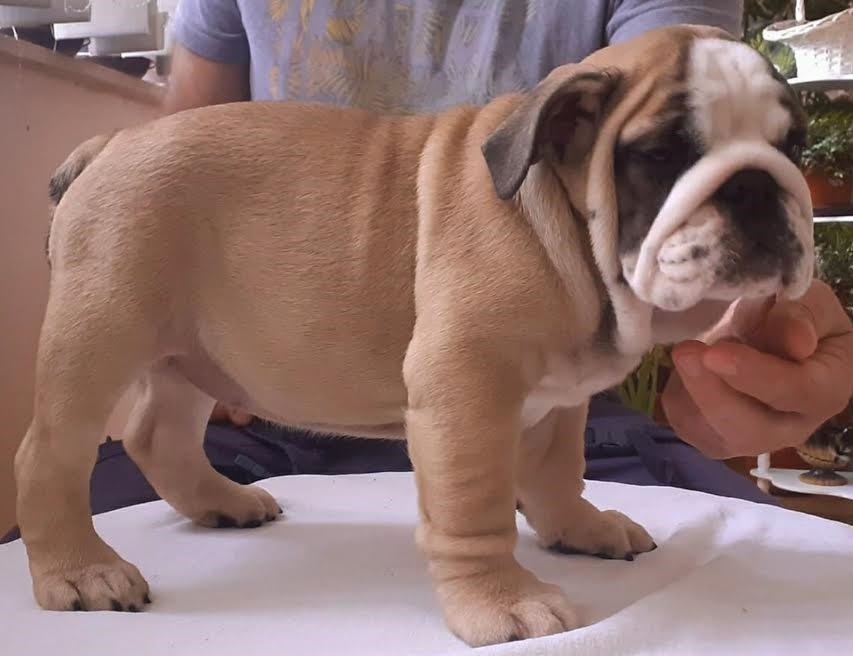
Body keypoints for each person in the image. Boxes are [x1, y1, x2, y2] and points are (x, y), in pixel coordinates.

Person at [161, 2, 853, 483]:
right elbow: (186, 167)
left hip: (552, 408)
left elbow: (692, 97)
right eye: (664, 155)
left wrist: (729, 323)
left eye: (785, 149)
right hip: (270, 410)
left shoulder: (667, 80)